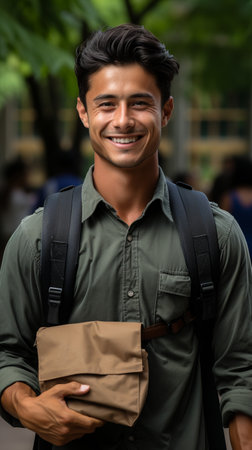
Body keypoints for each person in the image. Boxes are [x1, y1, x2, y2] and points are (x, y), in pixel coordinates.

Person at [0, 24, 252, 450]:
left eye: (140, 103)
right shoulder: (37, 238)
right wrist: (26, 406)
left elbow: (240, 367)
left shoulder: (216, 234)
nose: (122, 120)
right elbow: (8, 352)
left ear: (166, 111)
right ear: (83, 112)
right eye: (106, 104)